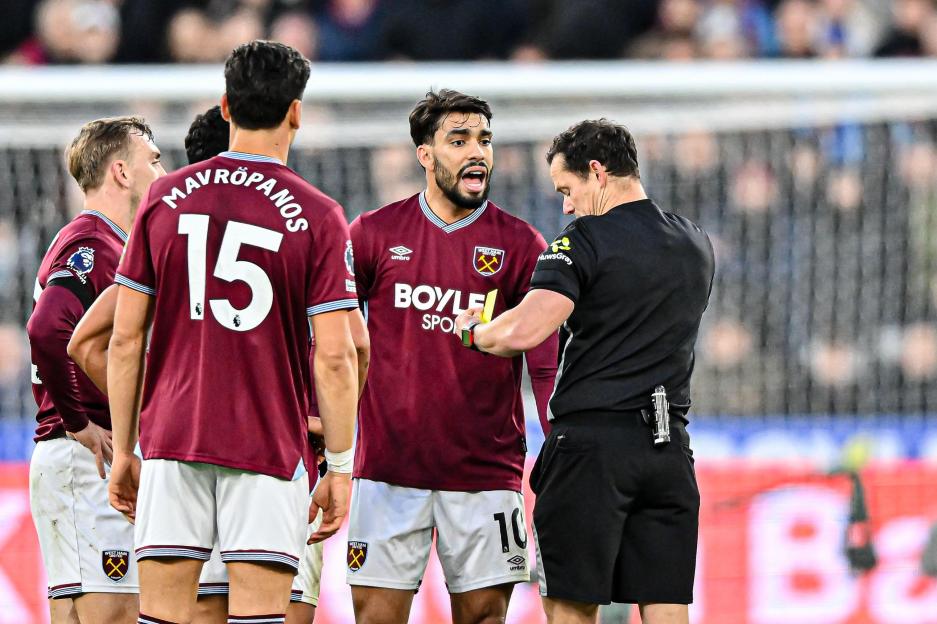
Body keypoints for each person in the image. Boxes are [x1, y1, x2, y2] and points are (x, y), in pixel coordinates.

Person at [68, 104, 365, 624]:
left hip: (181, 444)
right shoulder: (302, 219)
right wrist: (327, 432)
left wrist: (146, 421)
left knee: (183, 614)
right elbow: (352, 348)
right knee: (276, 612)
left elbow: (90, 341)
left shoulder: (170, 218)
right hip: (274, 449)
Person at [454, 119, 715, 624]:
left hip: (593, 450)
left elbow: (525, 330)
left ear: (597, 172)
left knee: (570, 603)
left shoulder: (583, 241)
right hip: (669, 450)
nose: (566, 206)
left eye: (567, 190)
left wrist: (474, 331)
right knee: (666, 605)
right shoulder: (695, 241)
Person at [347, 89, 558, 624]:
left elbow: (543, 355)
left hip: (485, 470)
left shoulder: (519, 242)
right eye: (459, 140)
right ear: (425, 154)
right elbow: (330, 332)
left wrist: (557, 437)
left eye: (484, 140)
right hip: (389, 468)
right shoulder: (374, 233)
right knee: (374, 616)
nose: (477, 152)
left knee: (486, 616)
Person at [26, 116, 165, 624]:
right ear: (122, 171)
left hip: (85, 461)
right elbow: (46, 329)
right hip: (82, 457)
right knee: (112, 613)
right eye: (154, 159)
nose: (163, 170)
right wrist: (78, 422)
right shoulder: (91, 243)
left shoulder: (113, 242)